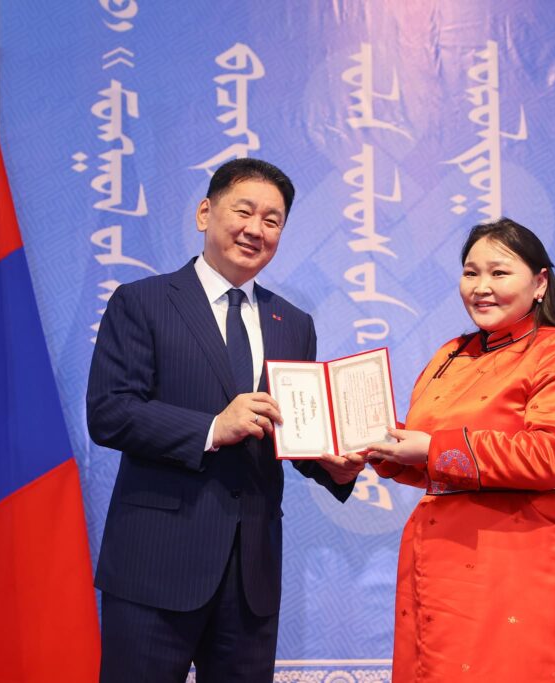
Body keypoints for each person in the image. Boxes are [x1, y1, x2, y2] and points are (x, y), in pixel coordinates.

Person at [87, 158, 364, 683]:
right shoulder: (142, 302)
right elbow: (110, 413)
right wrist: (213, 427)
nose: (256, 229)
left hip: (250, 578)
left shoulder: (293, 324)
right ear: (204, 213)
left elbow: (289, 428)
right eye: (244, 211)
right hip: (155, 567)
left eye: (272, 220)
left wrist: (332, 467)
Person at [359, 218, 555, 682]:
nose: (481, 287)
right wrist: (384, 450)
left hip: (525, 554)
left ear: (540, 283)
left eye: (499, 272)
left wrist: (432, 450)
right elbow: (432, 458)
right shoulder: (451, 354)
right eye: (470, 273)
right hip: (441, 558)